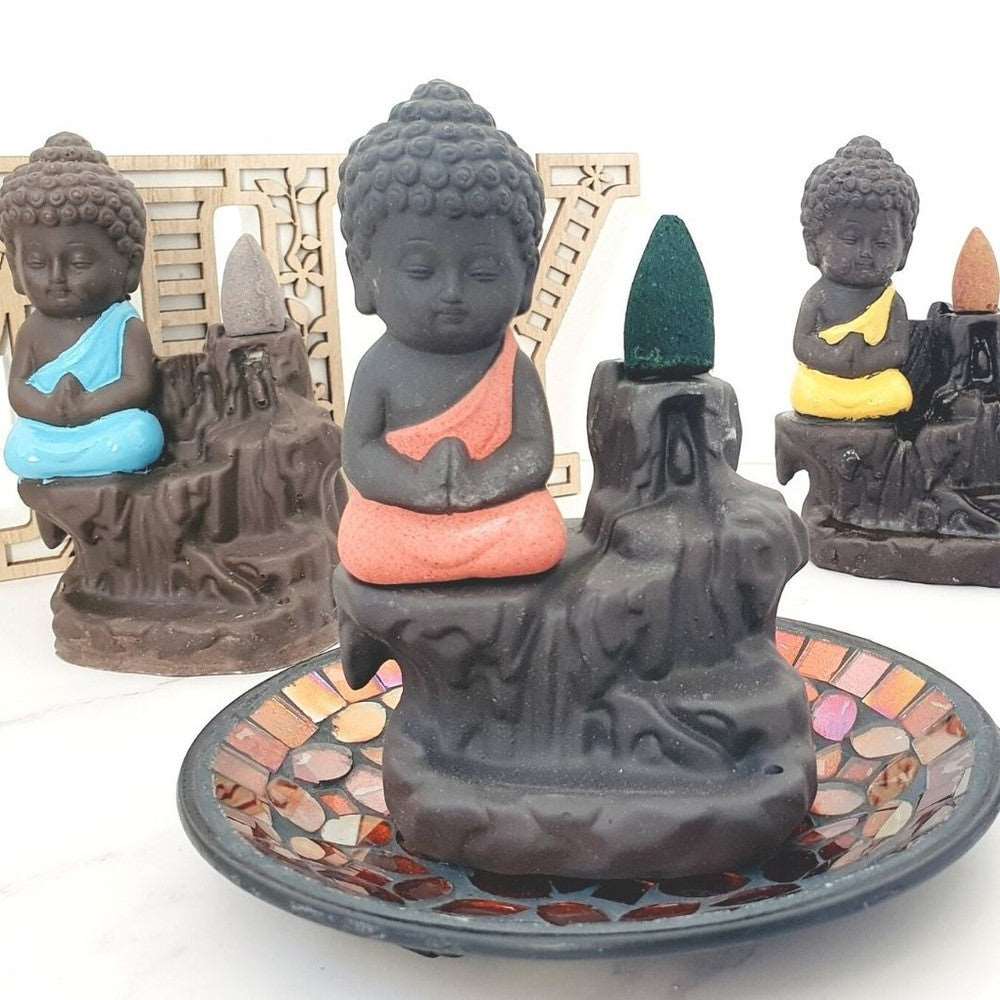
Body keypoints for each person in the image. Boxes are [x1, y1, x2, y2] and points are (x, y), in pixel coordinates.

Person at [336, 80, 566, 585]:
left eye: (483, 272)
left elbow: (533, 451)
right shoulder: (381, 367)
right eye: (420, 271)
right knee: (366, 542)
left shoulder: (509, 363)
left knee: (539, 533)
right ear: (363, 274)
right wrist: (415, 485)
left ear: (526, 277)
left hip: (492, 513)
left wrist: (481, 483)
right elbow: (361, 452)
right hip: (402, 515)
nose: (451, 293)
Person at [1, 133, 163, 479]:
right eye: (37, 263)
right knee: (19, 448)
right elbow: (18, 387)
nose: (56, 278)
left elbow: (138, 384)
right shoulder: (33, 329)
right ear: (15, 269)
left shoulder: (123, 325)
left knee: (142, 435)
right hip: (47, 433)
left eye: (78, 263)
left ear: (130, 266)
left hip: (108, 426)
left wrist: (88, 405)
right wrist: (48, 408)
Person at [792, 136, 920, 420]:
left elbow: (898, 349)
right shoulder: (819, 295)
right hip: (825, 381)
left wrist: (865, 361)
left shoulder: (891, 300)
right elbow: (802, 343)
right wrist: (836, 359)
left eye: (882, 242)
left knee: (898, 390)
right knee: (805, 391)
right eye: (850, 239)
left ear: (905, 249)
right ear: (813, 243)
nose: (865, 253)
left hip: (874, 382)